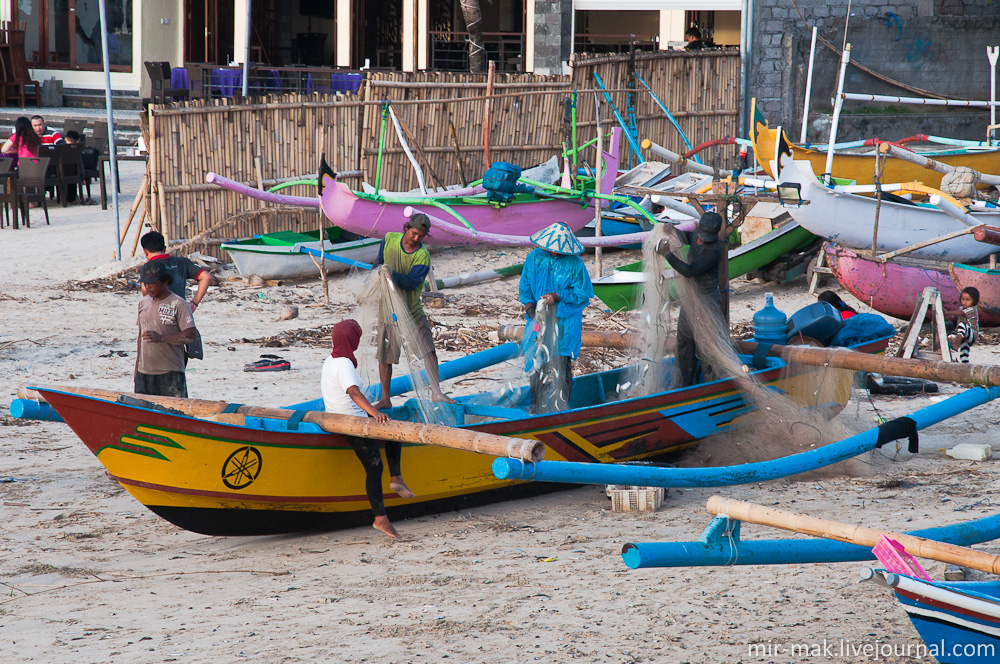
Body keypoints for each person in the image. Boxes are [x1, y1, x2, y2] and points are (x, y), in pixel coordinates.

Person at [322, 319, 415, 539]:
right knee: (374, 467)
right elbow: (353, 392)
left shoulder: (331, 360)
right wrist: (374, 413)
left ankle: (397, 479)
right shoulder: (344, 363)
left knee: (392, 430)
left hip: (337, 414)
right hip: (351, 421)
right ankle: (380, 518)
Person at [370, 213, 455, 409]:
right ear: (406, 227)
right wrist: (376, 275)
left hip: (411, 310)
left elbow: (411, 283)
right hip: (387, 309)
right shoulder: (389, 239)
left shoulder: (422, 256)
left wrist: (392, 274)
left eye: (421, 236)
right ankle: (385, 398)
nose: (416, 239)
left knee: (428, 351)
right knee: (385, 356)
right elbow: (377, 263)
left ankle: (436, 392)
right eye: (414, 233)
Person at [518, 222, 594, 413]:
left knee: (561, 363)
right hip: (538, 319)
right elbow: (525, 286)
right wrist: (529, 307)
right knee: (536, 361)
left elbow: (582, 293)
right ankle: (536, 405)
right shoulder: (534, 258)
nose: (553, 252)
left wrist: (557, 296)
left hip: (565, 322)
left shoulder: (574, 263)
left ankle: (561, 405)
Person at [656, 212, 724, 388]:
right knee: (684, 343)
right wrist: (672, 229)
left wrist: (667, 255)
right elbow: (686, 236)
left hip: (707, 302)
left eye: (705, 239)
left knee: (707, 348)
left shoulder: (714, 251)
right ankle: (683, 387)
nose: (700, 241)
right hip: (691, 300)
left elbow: (689, 271)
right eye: (700, 236)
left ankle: (712, 390)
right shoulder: (697, 236)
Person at [134, 261, 197, 398]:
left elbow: (191, 335)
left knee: (174, 414)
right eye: (145, 283)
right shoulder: (142, 304)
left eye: (152, 282)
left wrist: (161, 338)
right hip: (144, 373)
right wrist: (137, 371)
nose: (148, 287)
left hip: (170, 372)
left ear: (165, 282)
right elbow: (141, 338)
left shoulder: (179, 304)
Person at [140, 231, 215, 311]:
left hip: (158, 313)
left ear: (145, 252)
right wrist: (194, 303)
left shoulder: (148, 267)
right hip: (180, 311)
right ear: (165, 249)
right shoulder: (183, 262)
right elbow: (206, 277)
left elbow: (145, 290)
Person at [949, 287, 980, 364]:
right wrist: (943, 316)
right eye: (963, 299)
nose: (965, 302)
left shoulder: (972, 309)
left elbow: (961, 313)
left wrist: (947, 312)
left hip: (971, 335)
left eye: (968, 300)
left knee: (962, 325)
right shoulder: (962, 308)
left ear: (974, 301)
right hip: (965, 338)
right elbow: (952, 317)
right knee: (964, 355)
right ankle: (965, 365)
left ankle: (956, 344)